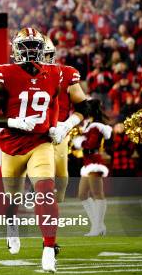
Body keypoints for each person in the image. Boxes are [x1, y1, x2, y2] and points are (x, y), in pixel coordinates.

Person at [0, 27, 61, 273]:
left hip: (40, 142)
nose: (30, 51)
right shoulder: (4, 73)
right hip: (12, 145)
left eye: (35, 46)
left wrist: (56, 126)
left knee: (45, 189)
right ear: (16, 49)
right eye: (25, 46)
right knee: (13, 199)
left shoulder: (54, 73)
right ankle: (11, 226)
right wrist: (13, 122)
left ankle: (49, 247)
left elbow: (55, 101)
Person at [44, 36, 90, 202]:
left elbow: (83, 107)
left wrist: (67, 125)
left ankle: (59, 198)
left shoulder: (66, 74)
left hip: (58, 129)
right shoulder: (19, 75)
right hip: (33, 130)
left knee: (60, 171)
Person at [72, 99, 112, 236]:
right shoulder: (89, 124)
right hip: (87, 163)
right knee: (82, 194)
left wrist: (79, 141)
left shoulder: (96, 125)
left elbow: (91, 145)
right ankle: (98, 225)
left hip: (94, 162)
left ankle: (98, 227)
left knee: (98, 194)